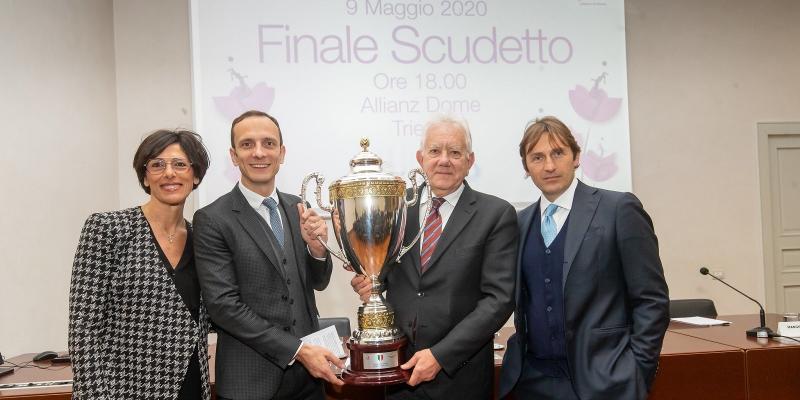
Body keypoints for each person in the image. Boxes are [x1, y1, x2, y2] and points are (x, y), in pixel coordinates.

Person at [499, 116, 669, 400]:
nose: (549, 166)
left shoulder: (619, 209)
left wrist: (637, 369)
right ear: (526, 168)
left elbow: (651, 300)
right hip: (531, 382)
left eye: (558, 153)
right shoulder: (519, 222)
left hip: (604, 382)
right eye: (537, 157)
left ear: (576, 157)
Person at [351, 115, 518, 399]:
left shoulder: (496, 214)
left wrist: (441, 356)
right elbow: (383, 273)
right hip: (398, 371)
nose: (444, 160)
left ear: (470, 161)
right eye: (435, 151)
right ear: (420, 158)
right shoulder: (397, 208)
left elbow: (498, 301)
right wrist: (369, 284)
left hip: (460, 377)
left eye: (455, 152)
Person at [193, 110, 343, 400]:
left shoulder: (297, 206)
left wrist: (317, 249)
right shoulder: (212, 219)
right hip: (250, 382)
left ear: (282, 152)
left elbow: (318, 282)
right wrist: (297, 350)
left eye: (269, 143)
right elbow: (224, 306)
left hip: (308, 381)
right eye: (247, 144)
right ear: (234, 155)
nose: (259, 153)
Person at [68, 129, 211, 399]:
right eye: (157, 164)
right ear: (145, 176)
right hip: (123, 389)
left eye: (180, 164)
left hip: (191, 384)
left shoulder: (202, 240)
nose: (169, 173)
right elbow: (83, 330)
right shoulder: (108, 228)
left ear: (195, 175)